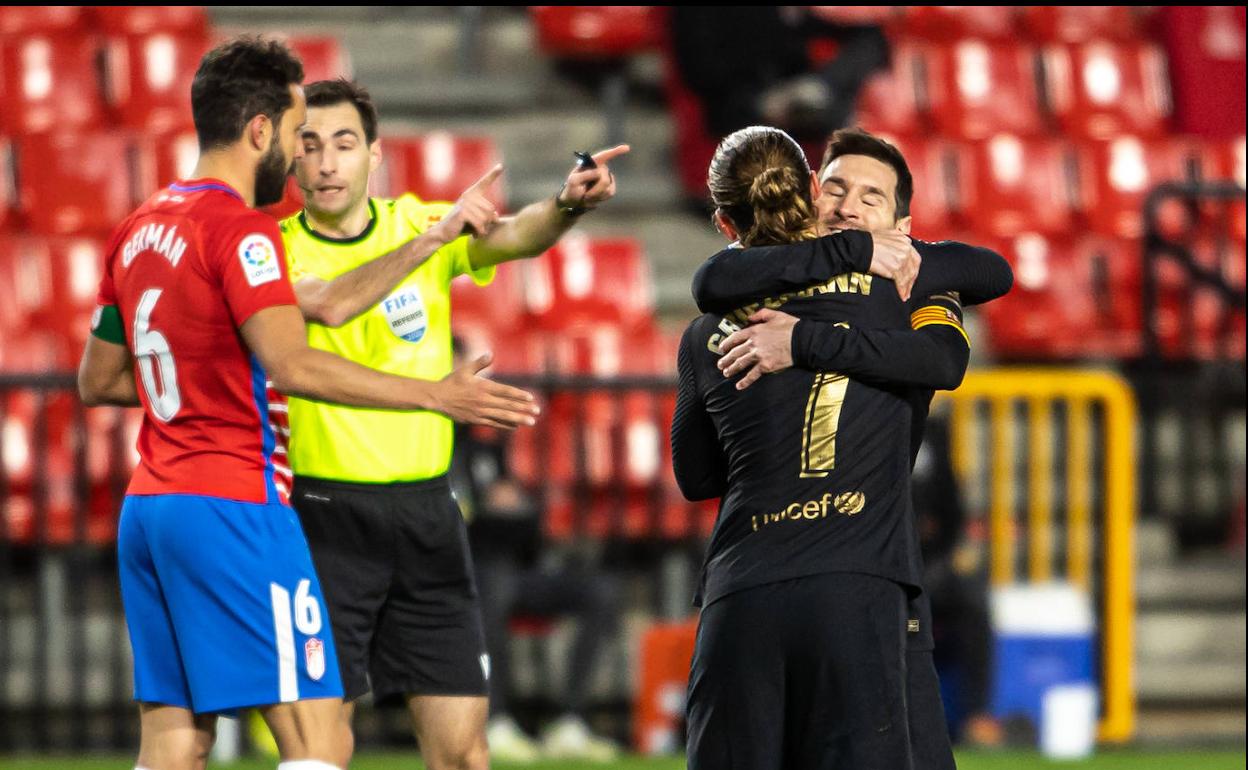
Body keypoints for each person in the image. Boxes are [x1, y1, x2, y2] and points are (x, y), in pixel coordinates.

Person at [76, 38, 539, 770]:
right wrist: (434, 395)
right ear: (260, 131)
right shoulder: (244, 232)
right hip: (237, 507)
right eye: (296, 134)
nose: (302, 157)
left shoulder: (139, 228)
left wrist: (433, 239)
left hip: (151, 509)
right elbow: (291, 361)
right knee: (316, 738)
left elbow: (98, 381)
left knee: (172, 740)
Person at [273, 78, 628, 770]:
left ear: (374, 156)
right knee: (320, 751)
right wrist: (434, 242)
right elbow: (334, 305)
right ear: (289, 160)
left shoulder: (415, 221)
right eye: (308, 145)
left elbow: (517, 236)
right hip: (323, 521)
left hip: (428, 519)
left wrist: (564, 205)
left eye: (343, 144)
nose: (324, 162)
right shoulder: (274, 252)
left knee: (465, 754)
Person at [672, 126, 1009, 770]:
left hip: (741, 590)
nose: (850, 207)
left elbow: (696, 474)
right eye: (836, 189)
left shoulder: (707, 329)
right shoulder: (903, 296)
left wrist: (799, 344)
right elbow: (954, 339)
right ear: (807, 194)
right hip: (859, 587)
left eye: (871, 198)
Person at [448, 337, 623, 763]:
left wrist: (517, 508)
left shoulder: (487, 448)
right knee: (493, 587)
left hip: (507, 568)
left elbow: (526, 531)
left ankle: (570, 721)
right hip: (456, 576)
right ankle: (497, 720)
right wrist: (484, 512)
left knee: (601, 591)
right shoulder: (430, 442)